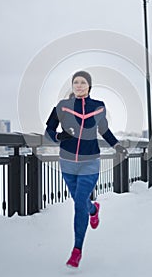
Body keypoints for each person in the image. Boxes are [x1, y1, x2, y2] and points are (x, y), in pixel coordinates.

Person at [45, 70, 128, 268]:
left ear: (89, 86)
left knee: (79, 201)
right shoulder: (62, 107)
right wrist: (58, 137)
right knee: (81, 202)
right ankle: (94, 209)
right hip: (67, 163)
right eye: (76, 82)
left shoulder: (98, 107)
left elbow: (104, 130)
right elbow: (48, 131)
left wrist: (117, 146)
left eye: (83, 82)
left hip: (90, 162)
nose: (79, 85)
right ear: (72, 86)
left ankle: (77, 250)